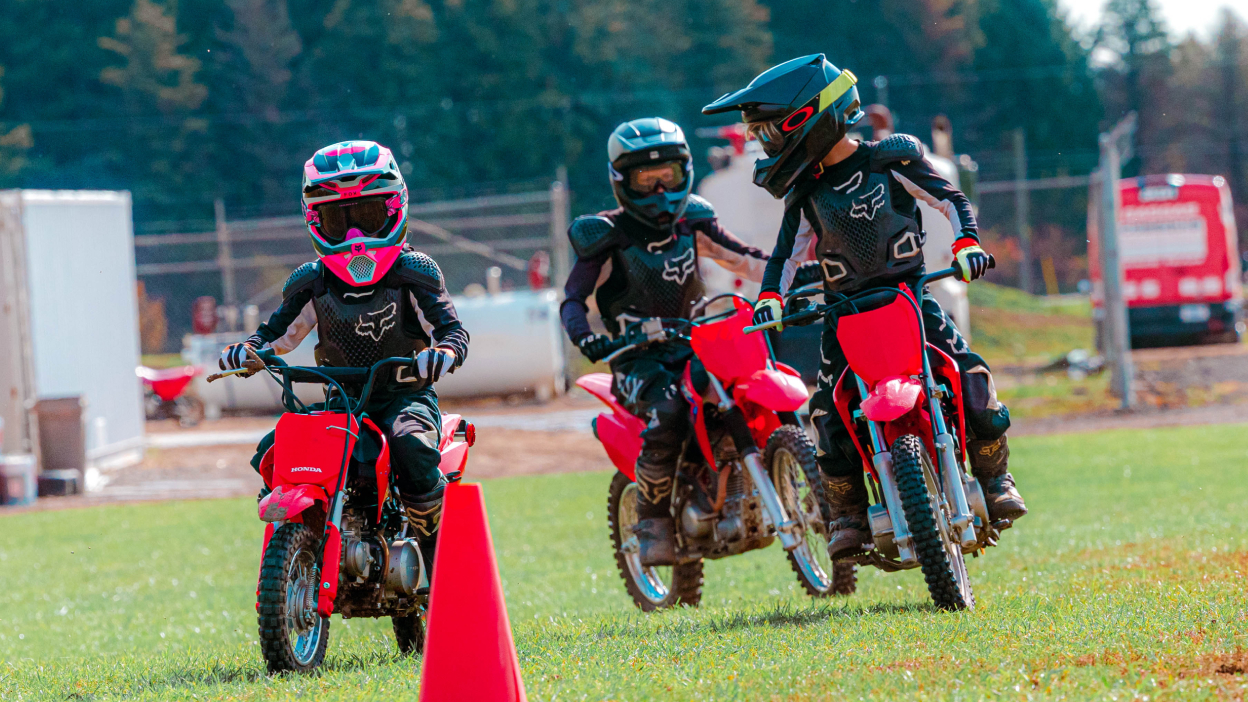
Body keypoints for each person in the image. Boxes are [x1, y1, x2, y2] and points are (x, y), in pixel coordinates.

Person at [703, 54, 1026, 561]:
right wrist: (769, 297)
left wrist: (966, 242)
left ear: (807, 118)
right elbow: (785, 256)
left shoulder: (891, 160)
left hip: (911, 300)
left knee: (971, 377)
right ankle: (849, 516)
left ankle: (996, 478)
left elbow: (950, 200)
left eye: (769, 132)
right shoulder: (805, 191)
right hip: (843, 315)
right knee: (828, 412)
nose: (765, 145)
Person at [219, 140, 468, 565]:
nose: (355, 237)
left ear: (395, 207)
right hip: (341, 403)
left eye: (367, 216)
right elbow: (273, 335)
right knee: (274, 449)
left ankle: (439, 554)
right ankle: (304, 534)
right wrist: (246, 352)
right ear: (315, 221)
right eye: (338, 220)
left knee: (410, 446)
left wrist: (444, 352)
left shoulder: (414, 272)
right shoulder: (311, 282)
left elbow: (451, 331)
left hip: (405, 397)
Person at [561, 117, 769, 566]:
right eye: (646, 179)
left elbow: (746, 260)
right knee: (670, 409)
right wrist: (586, 338)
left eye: (668, 176)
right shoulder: (605, 235)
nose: (659, 190)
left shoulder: (693, 221)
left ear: (685, 171)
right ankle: (653, 521)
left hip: (697, 346)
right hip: (636, 361)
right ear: (622, 180)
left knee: (745, 385)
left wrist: (792, 273)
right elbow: (573, 299)